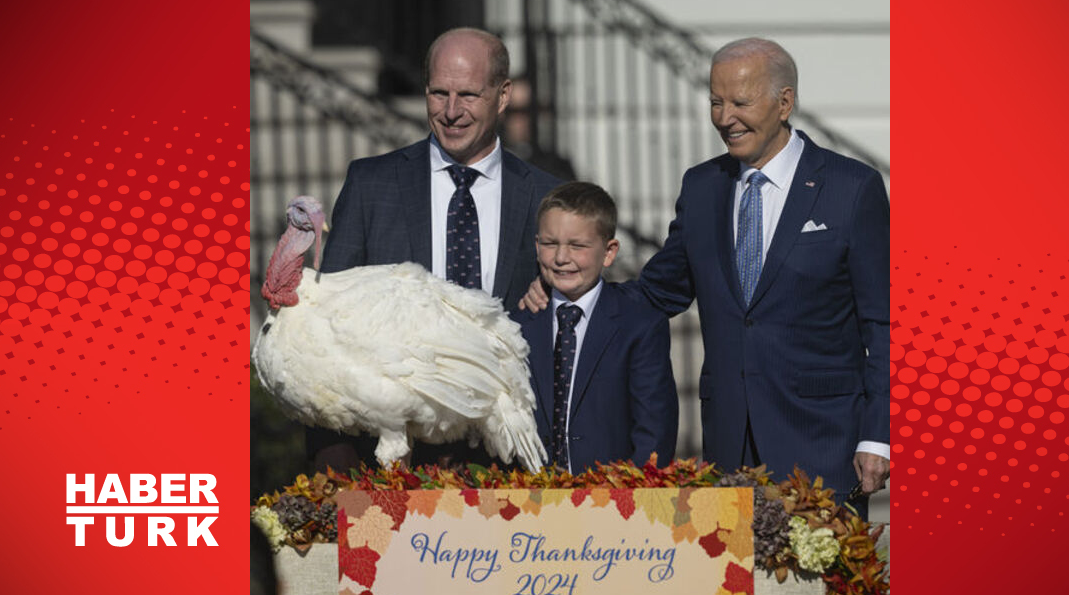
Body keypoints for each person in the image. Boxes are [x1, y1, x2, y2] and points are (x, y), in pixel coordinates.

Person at [522, 38, 889, 512]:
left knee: (824, 587)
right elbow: (656, 292)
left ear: (784, 102)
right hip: (730, 447)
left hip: (823, 441)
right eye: (716, 102)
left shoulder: (851, 188)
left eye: (740, 101)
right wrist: (566, 289)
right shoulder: (703, 186)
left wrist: (877, 436)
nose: (724, 117)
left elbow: (884, 326)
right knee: (738, 586)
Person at [313, 27, 561, 472]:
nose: (450, 111)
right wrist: (334, 475)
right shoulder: (373, 186)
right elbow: (325, 332)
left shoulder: (548, 198)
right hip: (391, 463)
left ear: (503, 96)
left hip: (511, 463)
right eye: (438, 93)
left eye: (467, 94)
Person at [511, 182, 677, 473]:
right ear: (537, 247)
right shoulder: (518, 323)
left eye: (577, 246)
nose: (562, 258)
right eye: (551, 244)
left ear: (609, 252)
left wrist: (637, 497)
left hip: (616, 500)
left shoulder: (639, 323)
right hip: (530, 501)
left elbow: (654, 429)